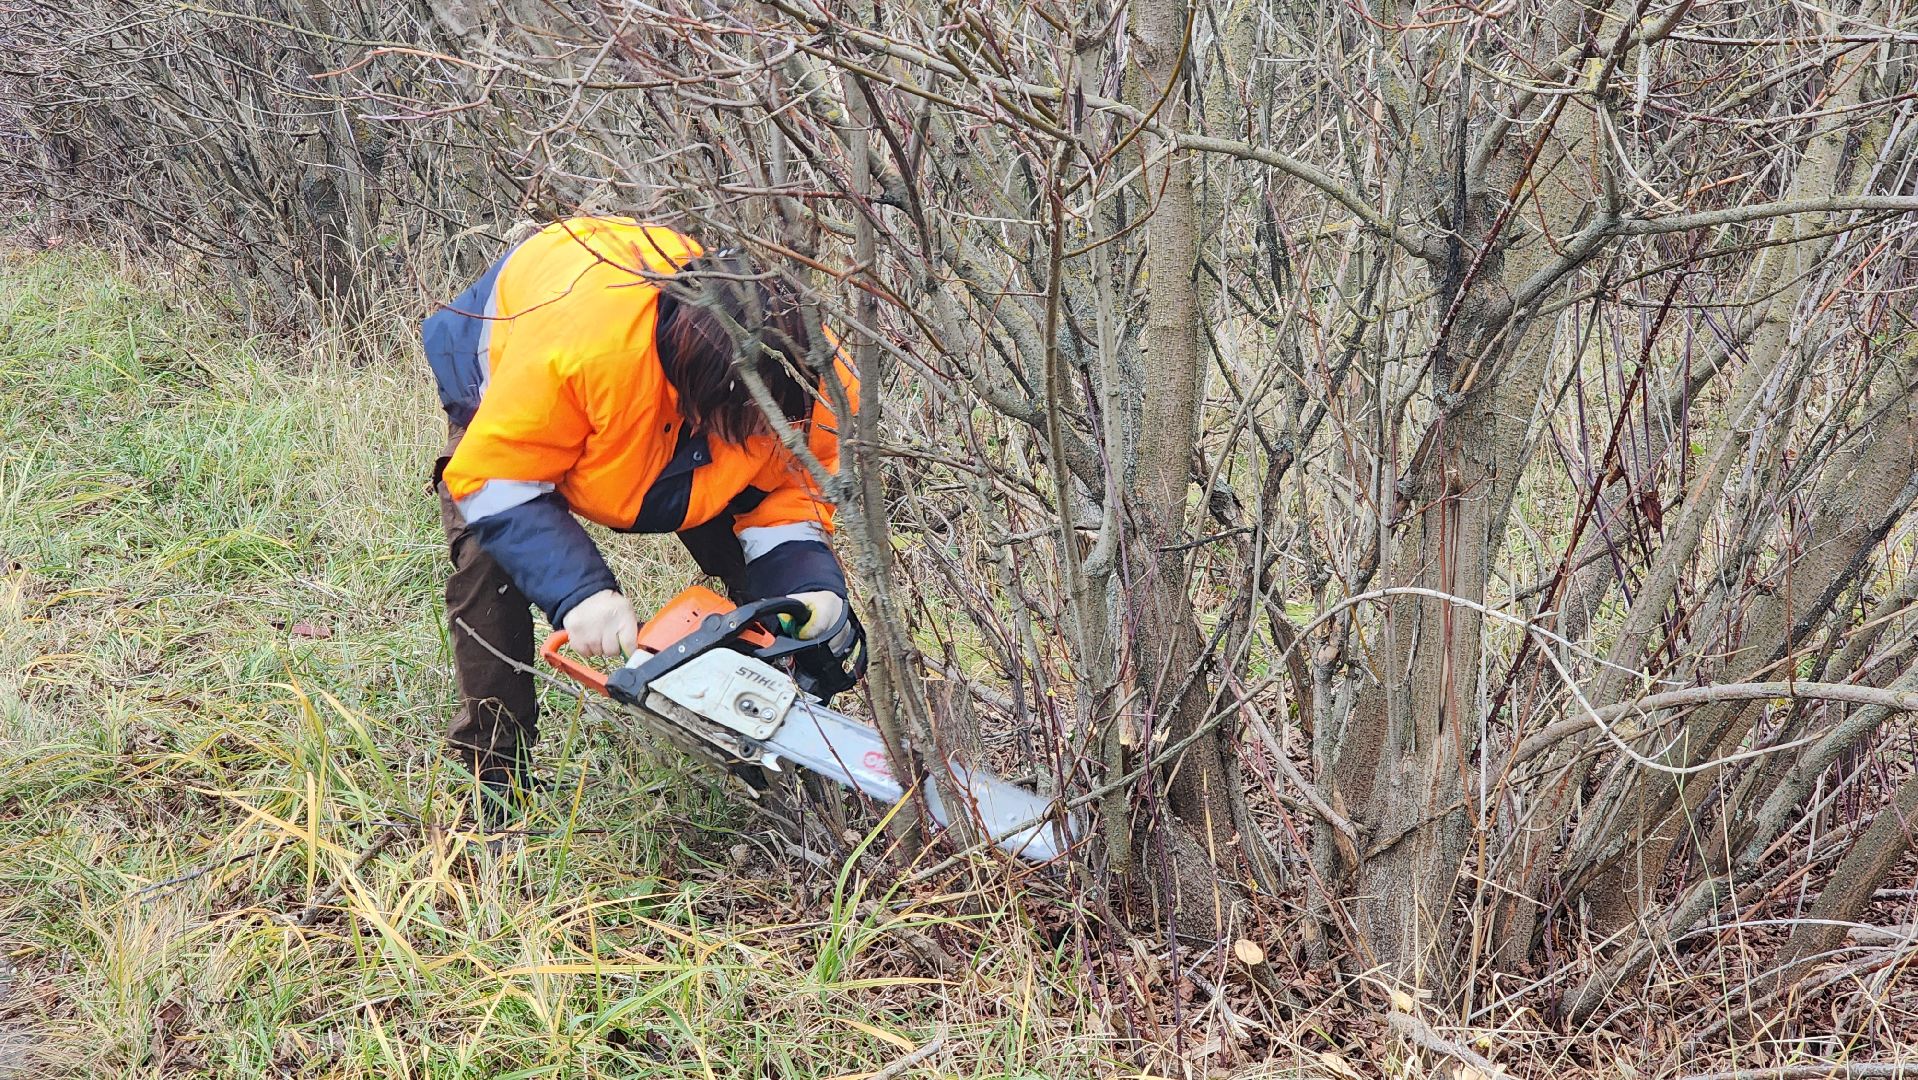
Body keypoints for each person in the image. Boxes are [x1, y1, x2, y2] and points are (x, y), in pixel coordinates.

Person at [422, 217, 864, 821]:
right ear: (688, 398)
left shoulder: (820, 378)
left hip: (670, 395)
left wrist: (808, 587)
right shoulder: (578, 351)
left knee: (776, 599)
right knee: (490, 557)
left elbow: (790, 496)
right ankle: (494, 785)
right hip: (524, 366)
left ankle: (792, 758)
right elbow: (497, 481)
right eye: (735, 425)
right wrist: (580, 594)